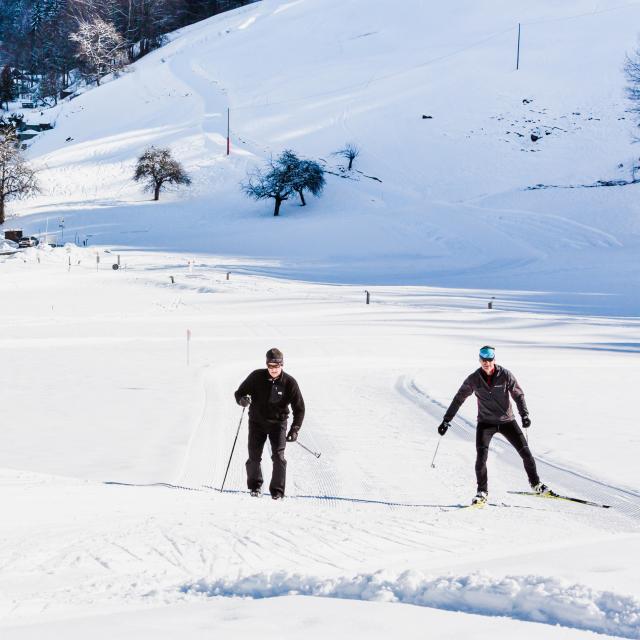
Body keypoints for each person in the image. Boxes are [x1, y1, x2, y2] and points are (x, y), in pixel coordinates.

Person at [437, 345, 550, 505]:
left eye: (489, 359)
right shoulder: (474, 379)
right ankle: (482, 491)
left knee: (526, 454)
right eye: (483, 360)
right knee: (481, 459)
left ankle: (535, 484)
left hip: (507, 421)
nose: (487, 363)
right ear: (479, 360)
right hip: (486, 423)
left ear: (494, 360)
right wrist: (446, 420)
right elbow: (459, 398)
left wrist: (524, 414)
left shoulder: (505, 375)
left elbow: (518, 394)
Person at [234, 348, 305, 500]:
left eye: (277, 366)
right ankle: (255, 486)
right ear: (266, 364)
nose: (273, 369)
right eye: (270, 366)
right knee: (254, 456)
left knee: (278, 457)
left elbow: (299, 409)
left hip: (278, 424)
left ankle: (277, 492)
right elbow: (239, 392)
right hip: (257, 423)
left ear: (282, 365)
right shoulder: (256, 377)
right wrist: (242, 400)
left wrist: (295, 429)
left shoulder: (289, 382)